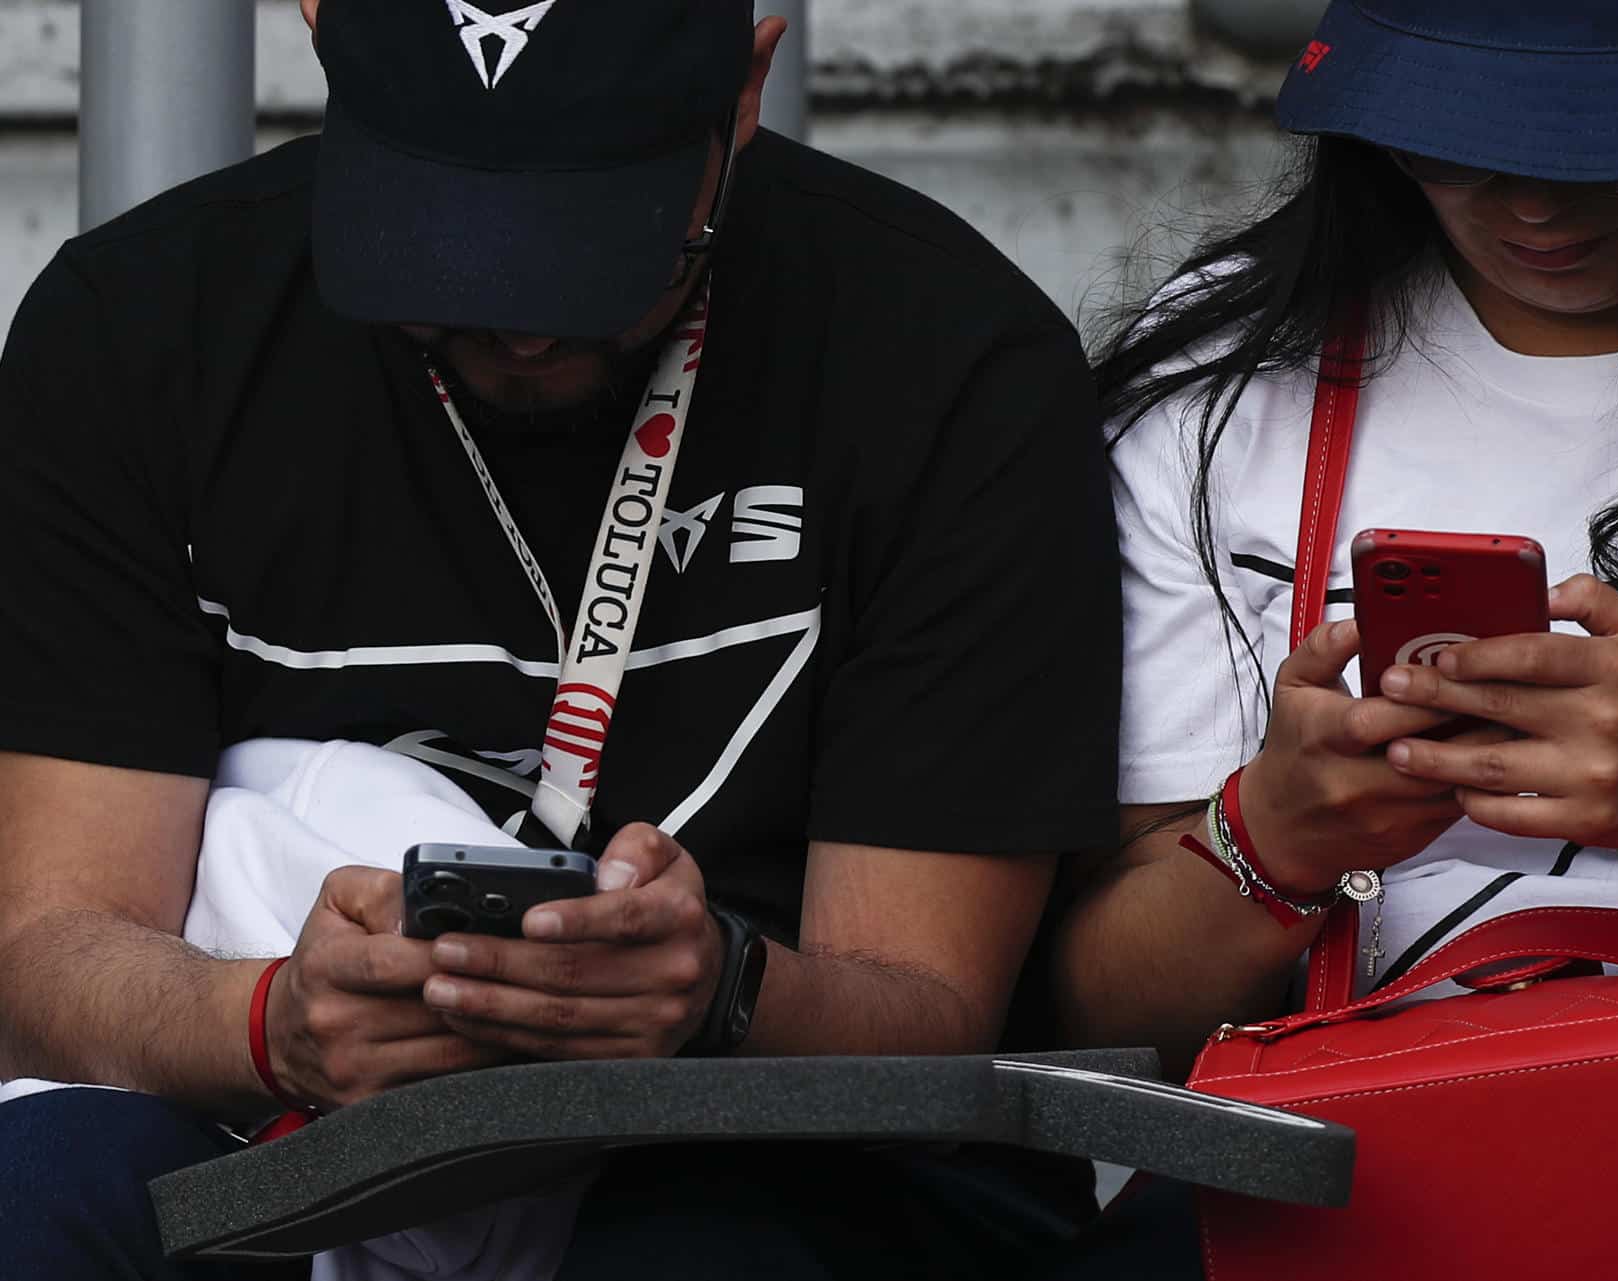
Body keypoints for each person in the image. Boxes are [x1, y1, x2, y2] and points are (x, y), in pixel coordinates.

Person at [0, 1, 1120, 1278]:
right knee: (38, 1197)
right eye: (439, 246)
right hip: (281, 1107)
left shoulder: (951, 356)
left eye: (600, 243)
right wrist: (274, 1022)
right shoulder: (142, 324)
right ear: (321, 31)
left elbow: (930, 1010)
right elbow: (51, 953)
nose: (523, 322)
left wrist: (722, 996)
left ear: (747, 86)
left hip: (769, 1144)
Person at [1047, 0, 1618, 1273]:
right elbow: (1103, 1019)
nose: (1536, 209)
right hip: (1352, 1176)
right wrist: (1272, 842)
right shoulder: (1229, 377)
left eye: (1608, 146)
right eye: (1459, 146)